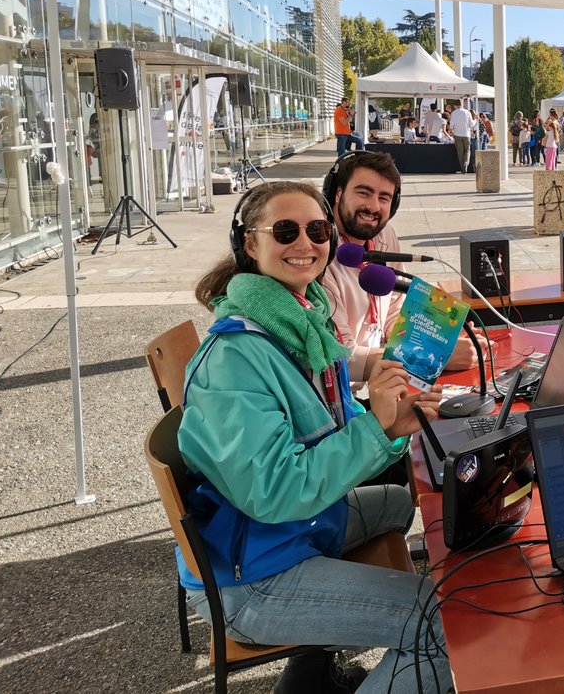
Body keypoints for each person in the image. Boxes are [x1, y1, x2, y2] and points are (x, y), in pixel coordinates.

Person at [181, 181, 450, 694]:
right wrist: (375, 429)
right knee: (444, 623)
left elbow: (336, 430)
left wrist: (390, 424)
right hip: (253, 577)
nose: (305, 243)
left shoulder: (299, 323)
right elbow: (275, 491)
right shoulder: (236, 359)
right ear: (249, 245)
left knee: (396, 502)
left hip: (283, 532)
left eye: (317, 229)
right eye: (285, 230)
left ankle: (308, 677)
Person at [321, 151, 479, 389]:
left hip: (382, 381)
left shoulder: (384, 233)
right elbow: (341, 358)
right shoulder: (319, 256)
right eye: (363, 193)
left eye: (384, 198)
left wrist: (437, 340)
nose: (373, 206)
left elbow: (397, 307)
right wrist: (431, 358)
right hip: (345, 397)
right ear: (337, 192)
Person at [449, 100, 474, 173]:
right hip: (467, 134)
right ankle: (466, 164)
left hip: (457, 134)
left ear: (455, 106)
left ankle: (463, 169)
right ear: (461, 104)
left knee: (460, 152)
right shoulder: (467, 112)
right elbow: (471, 124)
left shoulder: (454, 113)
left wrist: (451, 130)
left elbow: (451, 125)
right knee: (467, 150)